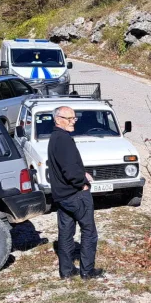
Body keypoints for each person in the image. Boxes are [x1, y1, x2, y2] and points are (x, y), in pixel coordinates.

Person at [48, 106, 102, 280]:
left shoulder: (55, 138)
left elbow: (65, 166)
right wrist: (82, 183)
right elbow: (70, 171)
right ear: (58, 119)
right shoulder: (64, 140)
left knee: (65, 233)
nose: (73, 122)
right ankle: (87, 271)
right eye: (69, 119)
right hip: (75, 195)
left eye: (74, 118)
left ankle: (66, 271)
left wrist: (82, 173)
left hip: (62, 196)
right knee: (89, 232)